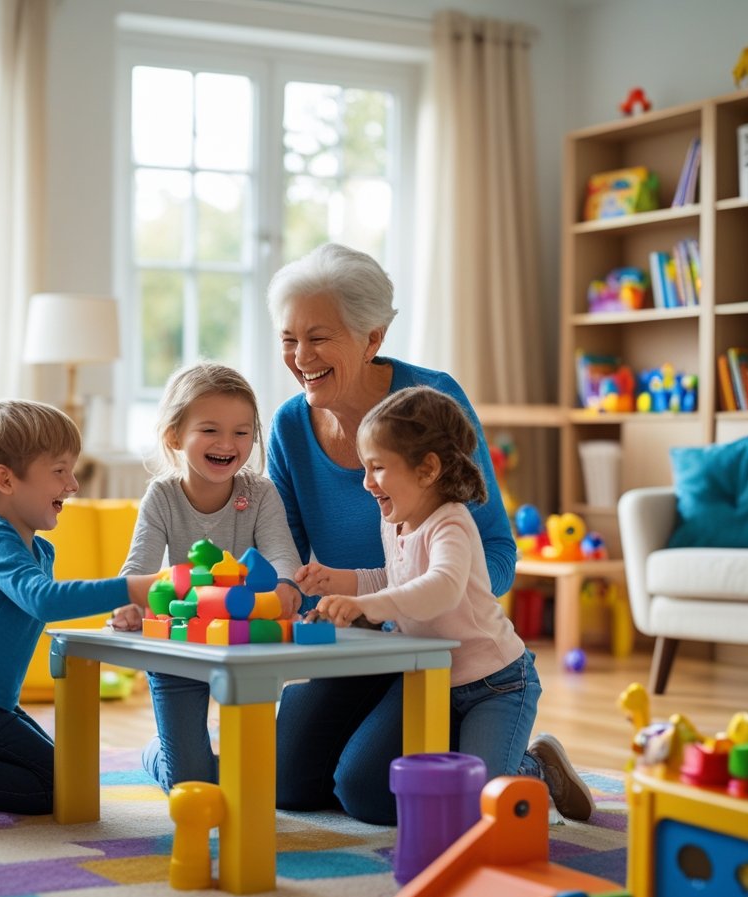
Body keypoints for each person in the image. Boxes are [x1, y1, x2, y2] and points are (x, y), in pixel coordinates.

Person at [266, 241, 589, 824]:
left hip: (439, 647)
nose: (300, 356)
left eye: (318, 337)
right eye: (289, 339)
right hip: (359, 642)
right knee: (286, 783)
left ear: (372, 339)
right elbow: (282, 553)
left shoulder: (429, 407)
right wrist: (291, 596)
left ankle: (523, 765)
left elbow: (494, 547)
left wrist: (431, 609)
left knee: (366, 791)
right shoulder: (290, 426)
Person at [302, 385, 592, 821]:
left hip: (496, 685)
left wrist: (373, 607)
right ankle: (478, 757)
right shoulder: (396, 522)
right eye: (365, 468)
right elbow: (396, 578)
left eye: (378, 467)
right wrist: (341, 582)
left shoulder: (450, 524)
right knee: (364, 790)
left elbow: (441, 587)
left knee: (477, 805)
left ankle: (536, 768)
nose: (365, 482)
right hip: (429, 682)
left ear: (427, 469)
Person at [0, 400, 159, 825]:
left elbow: (33, 613)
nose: (73, 484)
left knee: (70, 777)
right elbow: (45, 600)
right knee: (59, 787)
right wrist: (131, 586)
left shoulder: (39, 549)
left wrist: (117, 617)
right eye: (59, 471)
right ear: (5, 479)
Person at [109, 362, 302, 793]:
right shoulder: (162, 496)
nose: (227, 444)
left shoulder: (261, 493)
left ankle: (198, 757)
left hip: (243, 644)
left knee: (253, 778)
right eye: (210, 430)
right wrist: (129, 603)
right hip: (181, 645)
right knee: (193, 782)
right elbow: (137, 567)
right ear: (175, 436)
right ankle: (156, 751)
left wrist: (287, 586)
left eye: (242, 432)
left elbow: (281, 554)